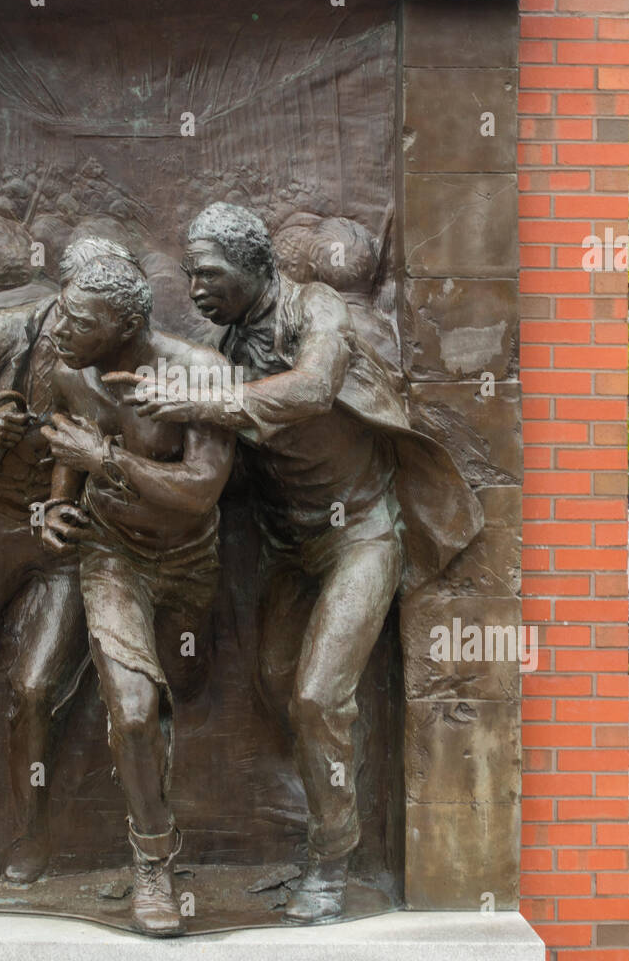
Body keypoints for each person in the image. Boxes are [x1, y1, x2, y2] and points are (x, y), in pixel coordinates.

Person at [131, 203, 483, 923]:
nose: (196, 287)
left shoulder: (312, 306)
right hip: (287, 545)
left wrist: (207, 399)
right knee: (275, 685)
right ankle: (327, 810)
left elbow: (315, 386)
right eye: (190, 274)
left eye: (209, 273)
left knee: (318, 697)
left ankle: (331, 859)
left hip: (360, 533)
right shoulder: (223, 347)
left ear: (254, 265)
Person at [37, 254, 234, 935]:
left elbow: (202, 488)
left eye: (78, 320)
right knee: (134, 710)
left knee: (185, 690)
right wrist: (57, 506)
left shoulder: (201, 373)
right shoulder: (68, 369)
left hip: (188, 560)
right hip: (111, 554)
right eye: (60, 309)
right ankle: (154, 866)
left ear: (123, 325)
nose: (59, 327)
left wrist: (107, 463)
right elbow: (71, 446)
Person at [0, 237, 138, 885]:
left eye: (97, 322)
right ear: (60, 300)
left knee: (33, 685)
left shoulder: (121, 364)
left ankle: (33, 833)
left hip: (64, 543)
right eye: (74, 316)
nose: (82, 331)